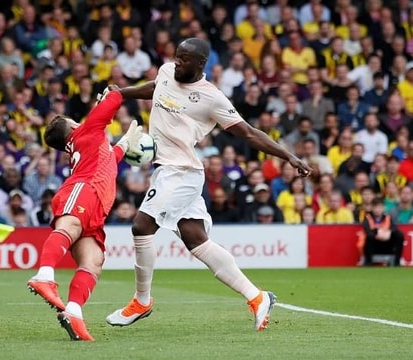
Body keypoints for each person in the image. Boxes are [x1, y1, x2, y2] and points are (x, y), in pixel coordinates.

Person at [104, 38, 312, 332]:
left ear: (201, 64)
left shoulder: (211, 97)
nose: (177, 62)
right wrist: (122, 93)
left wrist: (289, 156)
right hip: (167, 171)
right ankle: (257, 297)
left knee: (141, 226)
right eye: (177, 56)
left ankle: (142, 301)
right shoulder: (166, 71)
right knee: (195, 238)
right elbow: (155, 87)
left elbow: (249, 134)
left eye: (184, 59)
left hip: (182, 172)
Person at [26, 90, 143, 341]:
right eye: (73, 121)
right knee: (70, 226)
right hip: (84, 189)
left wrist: (125, 140)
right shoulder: (87, 130)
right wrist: (112, 91)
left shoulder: (89, 142)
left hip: (96, 203)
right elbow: (114, 100)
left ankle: (74, 312)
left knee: (93, 261)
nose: (78, 121)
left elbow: (111, 159)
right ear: (71, 128)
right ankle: (44, 275)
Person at [362, 197, 404, 266]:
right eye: (376, 207)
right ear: (372, 208)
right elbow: (368, 231)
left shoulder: (388, 217)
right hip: (374, 245)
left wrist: (388, 232)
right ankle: (368, 262)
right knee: (369, 238)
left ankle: (397, 262)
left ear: (383, 208)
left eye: (380, 207)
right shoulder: (367, 217)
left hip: (387, 244)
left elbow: (394, 228)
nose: (378, 210)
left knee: (399, 235)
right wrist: (378, 232)